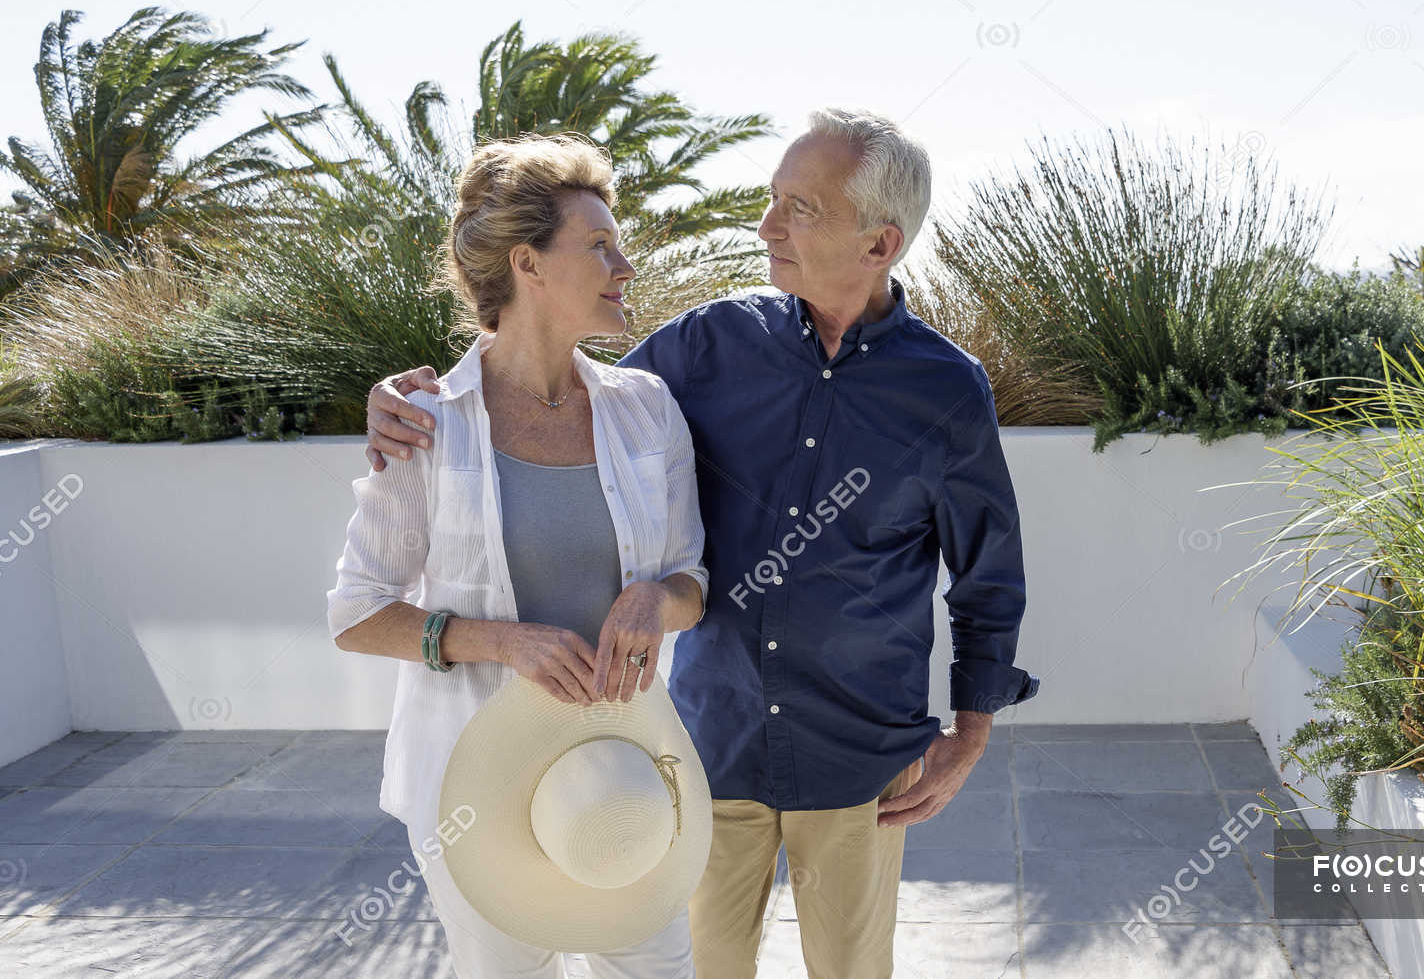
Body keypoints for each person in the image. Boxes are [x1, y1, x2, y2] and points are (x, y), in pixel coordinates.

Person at [364, 108, 1040, 979]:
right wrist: (409, 396)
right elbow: (547, 374)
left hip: (862, 760)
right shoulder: (703, 346)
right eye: (772, 200)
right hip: (706, 752)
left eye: (801, 207)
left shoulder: (947, 390)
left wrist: (971, 730)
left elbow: (989, 572)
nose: (768, 226)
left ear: (880, 244)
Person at [328, 133, 709, 978]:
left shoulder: (646, 410)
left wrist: (659, 602)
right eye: (600, 245)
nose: (626, 265)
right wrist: (502, 641)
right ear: (528, 264)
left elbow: (692, 579)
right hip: (475, 787)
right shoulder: (428, 423)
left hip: (627, 776)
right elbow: (357, 614)